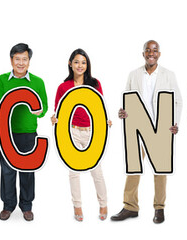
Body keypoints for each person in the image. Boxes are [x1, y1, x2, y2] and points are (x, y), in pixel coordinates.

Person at [111, 40, 182, 224]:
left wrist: (175, 123)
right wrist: (123, 112)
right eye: (148, 50)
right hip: (138, 129)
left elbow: (178, 101)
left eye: (155, 50)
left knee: (160, 171)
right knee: (133, 168)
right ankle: (130, 207)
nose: (151, 53)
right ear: (143, 53)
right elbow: (127, 98)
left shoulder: (168, 75)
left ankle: (159, 209)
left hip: (160, 129)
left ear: (159, 53)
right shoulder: (134, 75)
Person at [50, 48, 110, 222]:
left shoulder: (95, 83)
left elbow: (101, 107)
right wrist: (54, 119)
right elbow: (58, 110)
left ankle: (103, 203)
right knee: (73, 172)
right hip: (72, 132)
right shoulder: (63, 86)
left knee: (96, 171)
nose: (80, 65)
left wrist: (106, 122)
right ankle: (77, 206)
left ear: (87, 65)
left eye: (83, 62)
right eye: (76, 62)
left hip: (92, 132)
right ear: (70, 64)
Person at [0, 43, 47, 221]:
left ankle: (26, 206)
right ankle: (8, 205)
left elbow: (43, 106)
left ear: (29, 61)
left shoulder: (37, 82)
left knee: (27, 171)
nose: (21, 63)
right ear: (11, 60)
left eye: (24, 59)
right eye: (17, 59)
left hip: (29, 134)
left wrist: (40, 111)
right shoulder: (2, 80)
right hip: (6, 134)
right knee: (7, 170)